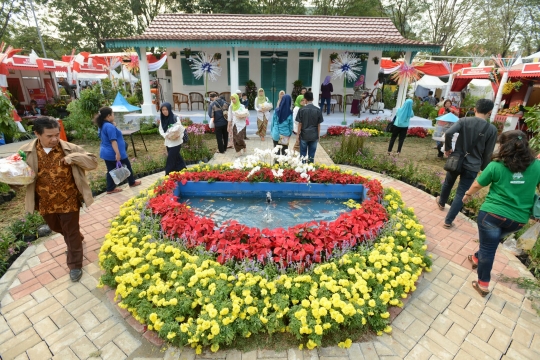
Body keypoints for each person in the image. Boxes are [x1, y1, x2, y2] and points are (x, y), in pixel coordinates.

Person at [18, 117, 98, 282]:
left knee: (71, 232)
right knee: (56, 227)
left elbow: (92, 162)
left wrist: (73, 158)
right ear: (37, 134)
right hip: (45, 202)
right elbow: (18, 175)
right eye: (50, 136)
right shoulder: (26, 152)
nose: (55, 139)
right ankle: (76, 238)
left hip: (69, 199)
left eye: (57, 134)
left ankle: (75, 265)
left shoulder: (68, 148)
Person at [462, 130, 540, 296]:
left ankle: (483, 284)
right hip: (518, 220)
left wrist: (467, 194)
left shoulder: (496, 165)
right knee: (490, 242)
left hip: (492, 216)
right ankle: (476, 258)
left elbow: (477, 184)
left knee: (488, 249)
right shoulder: (537, 166)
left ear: (504, 146)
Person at [436, 99, 498, 229]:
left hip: (456, 160)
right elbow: (488, 153)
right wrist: (484, 169)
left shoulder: (464, 121)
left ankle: (441, 202)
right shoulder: (491, 129)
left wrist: (447, 148)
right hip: (473, 165)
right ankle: (448, 221)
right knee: (462, 193)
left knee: (448, 182)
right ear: (490, 112)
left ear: (475, 109)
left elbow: (448, 133)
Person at [95, 107, 141, 194]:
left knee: (111, 170)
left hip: (106, 152)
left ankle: (110, 188)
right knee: (127, 166)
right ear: (108, 116)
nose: (114, 115)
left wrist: (113, 125)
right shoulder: (109, 126)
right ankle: (132, 182)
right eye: (112, 114)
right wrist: (117, 154)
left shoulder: (102, 125)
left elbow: (100, 136)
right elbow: (113, 141)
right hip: (113, 152)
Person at [159, 103, 187, 174]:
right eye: (163, 110)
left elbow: (180, 128)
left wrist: (177, 135)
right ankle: (183, 170)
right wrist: (166, 135)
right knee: (177, 157)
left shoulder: (175, 118)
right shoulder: (162, 119)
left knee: (170, 159)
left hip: (176, 142)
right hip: (168, 142)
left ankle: (167, 174)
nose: (164, 111)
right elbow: (161, 130)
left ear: (169, 109)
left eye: (166, 109)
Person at [296, 91, 324, 163]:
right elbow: (318, 124)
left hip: (304, 135)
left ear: (305, 99)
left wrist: (297, 135)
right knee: (311, 156)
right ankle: (310, 171)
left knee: (303, 155)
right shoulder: (318, 110)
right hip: (314, 135)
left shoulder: (301, 110)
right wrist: (318, 135)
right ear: (313, 99)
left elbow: (300, 124)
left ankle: (303, 171)